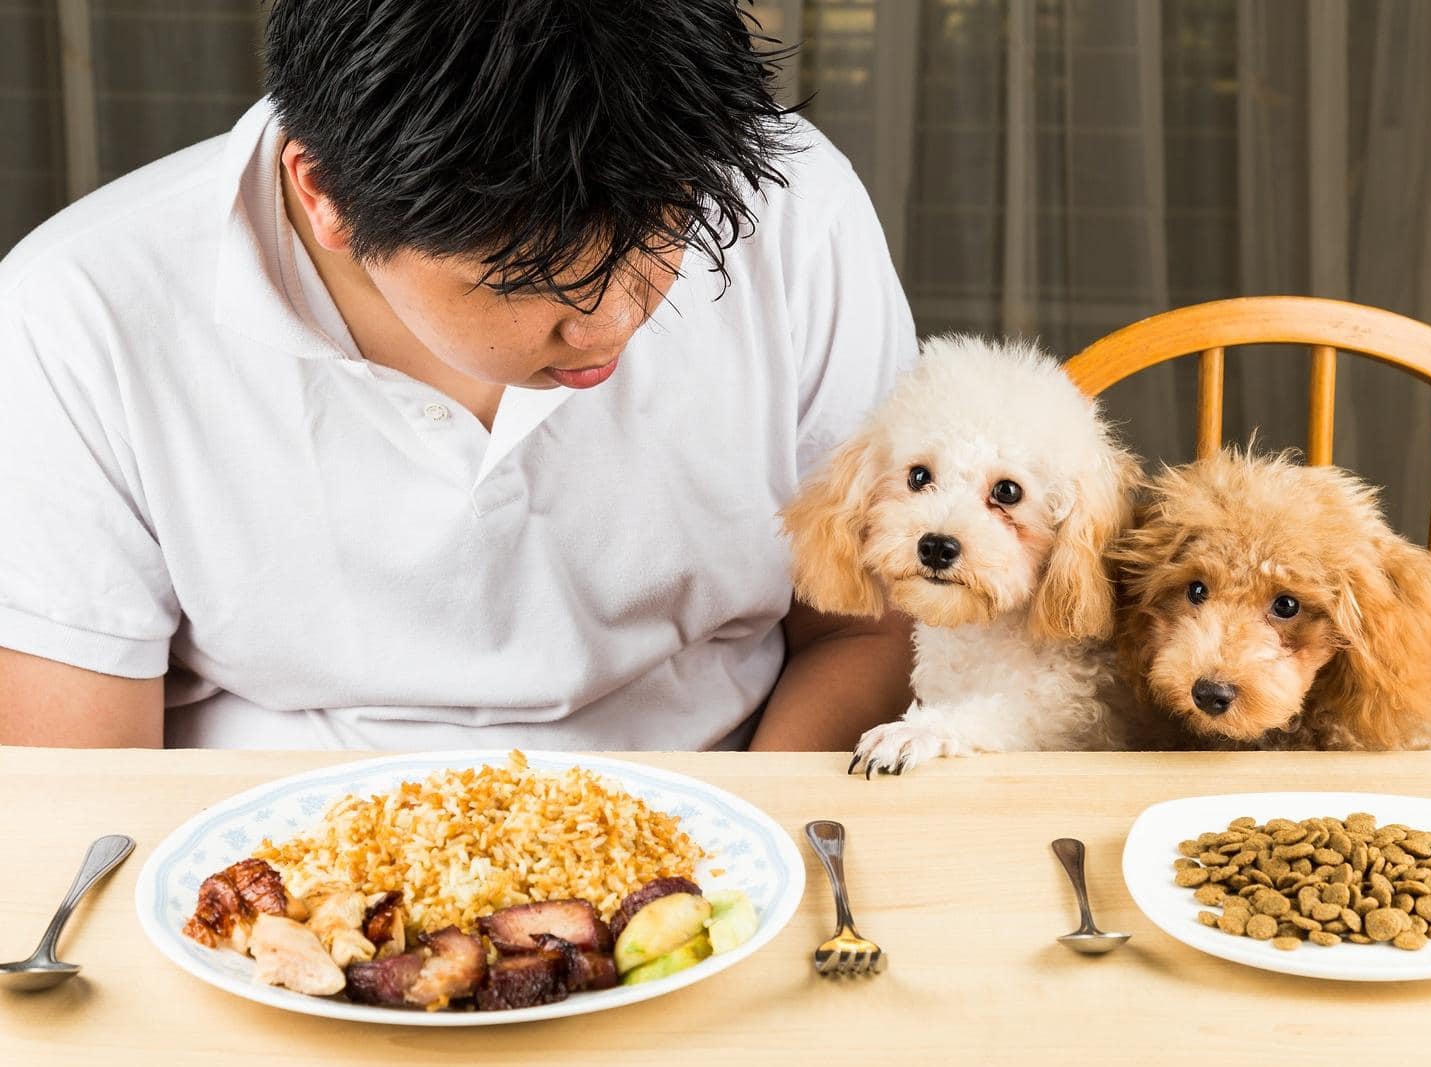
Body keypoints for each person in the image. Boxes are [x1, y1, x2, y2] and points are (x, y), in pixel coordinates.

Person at [0, 1, 916, 751]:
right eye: (528, 281)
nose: (616, 321)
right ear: (324, 196)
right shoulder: (77, 313)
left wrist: (748, 861)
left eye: (662, 238)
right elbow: (82, 792)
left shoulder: (795, 210)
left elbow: (867, 629)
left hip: (722, 826)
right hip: (269, 873)